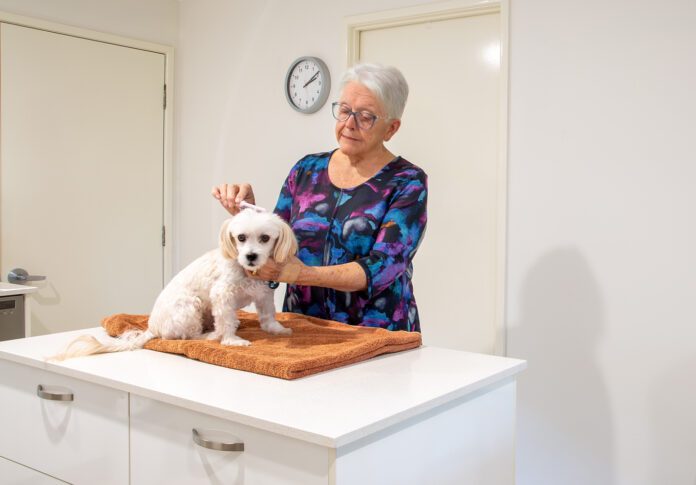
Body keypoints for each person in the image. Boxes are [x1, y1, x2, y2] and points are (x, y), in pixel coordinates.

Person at [213, 63, 427, 332]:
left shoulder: (407, 181)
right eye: (345, 110)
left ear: (391, 128)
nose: (349, 124)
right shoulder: (306, 169)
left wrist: (301, 274)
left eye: (366, 117)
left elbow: (384, 266)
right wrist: (247, 215)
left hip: (375, 331)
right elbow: (279, 240)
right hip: (304, 326)